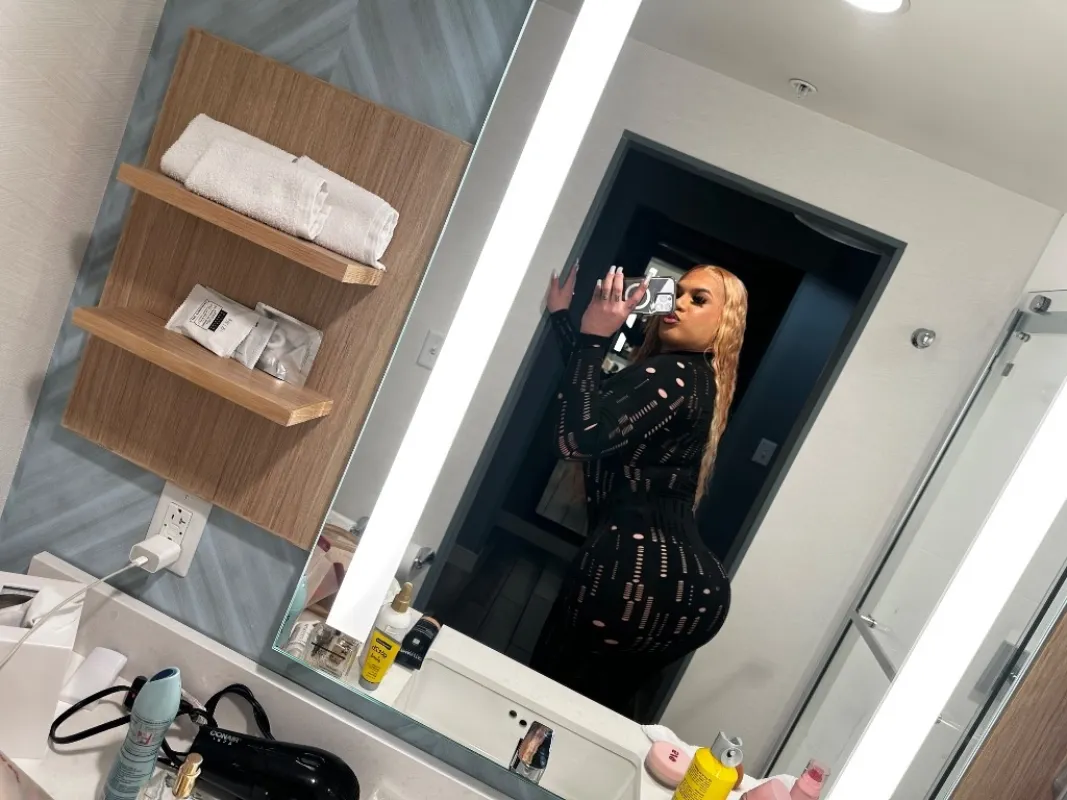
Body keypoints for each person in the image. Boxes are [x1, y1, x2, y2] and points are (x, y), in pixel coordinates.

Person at [530, 262, 748, 718]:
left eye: (698, 299)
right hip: (685, 587)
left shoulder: (672, 374)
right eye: (677, 292)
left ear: (723, 326)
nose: (679, 304)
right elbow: (594, 396)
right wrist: (565, 321)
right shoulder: (696, 379)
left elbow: (575, 441)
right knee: (596, 713)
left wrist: (595, 336)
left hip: (633, 574)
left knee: (547, 698)